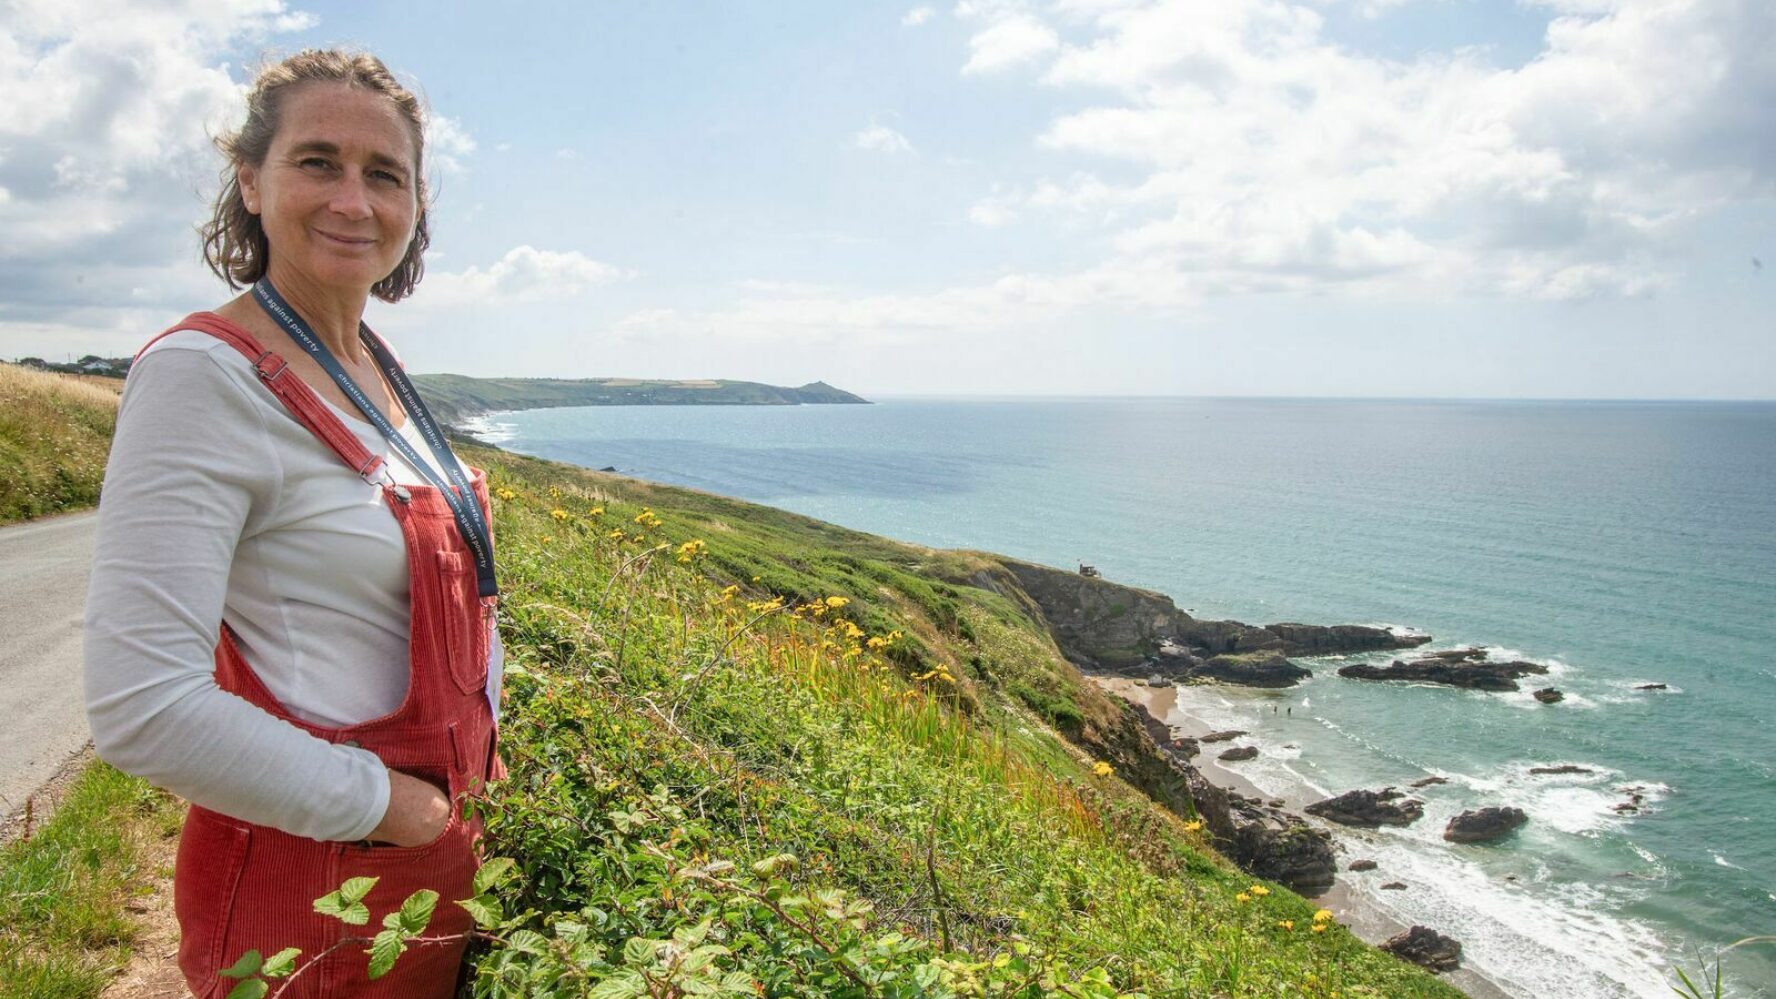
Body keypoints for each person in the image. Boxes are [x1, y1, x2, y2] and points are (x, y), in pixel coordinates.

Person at [82, 49, 502, 998]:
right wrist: (397, 810)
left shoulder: (380, 374)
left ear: (415, 204)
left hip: (427, 866)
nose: (354, 200)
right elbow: (139, 707)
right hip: (315, 882)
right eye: (319, 162)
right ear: (250, 180)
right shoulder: (204, 375)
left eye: (384, 174)